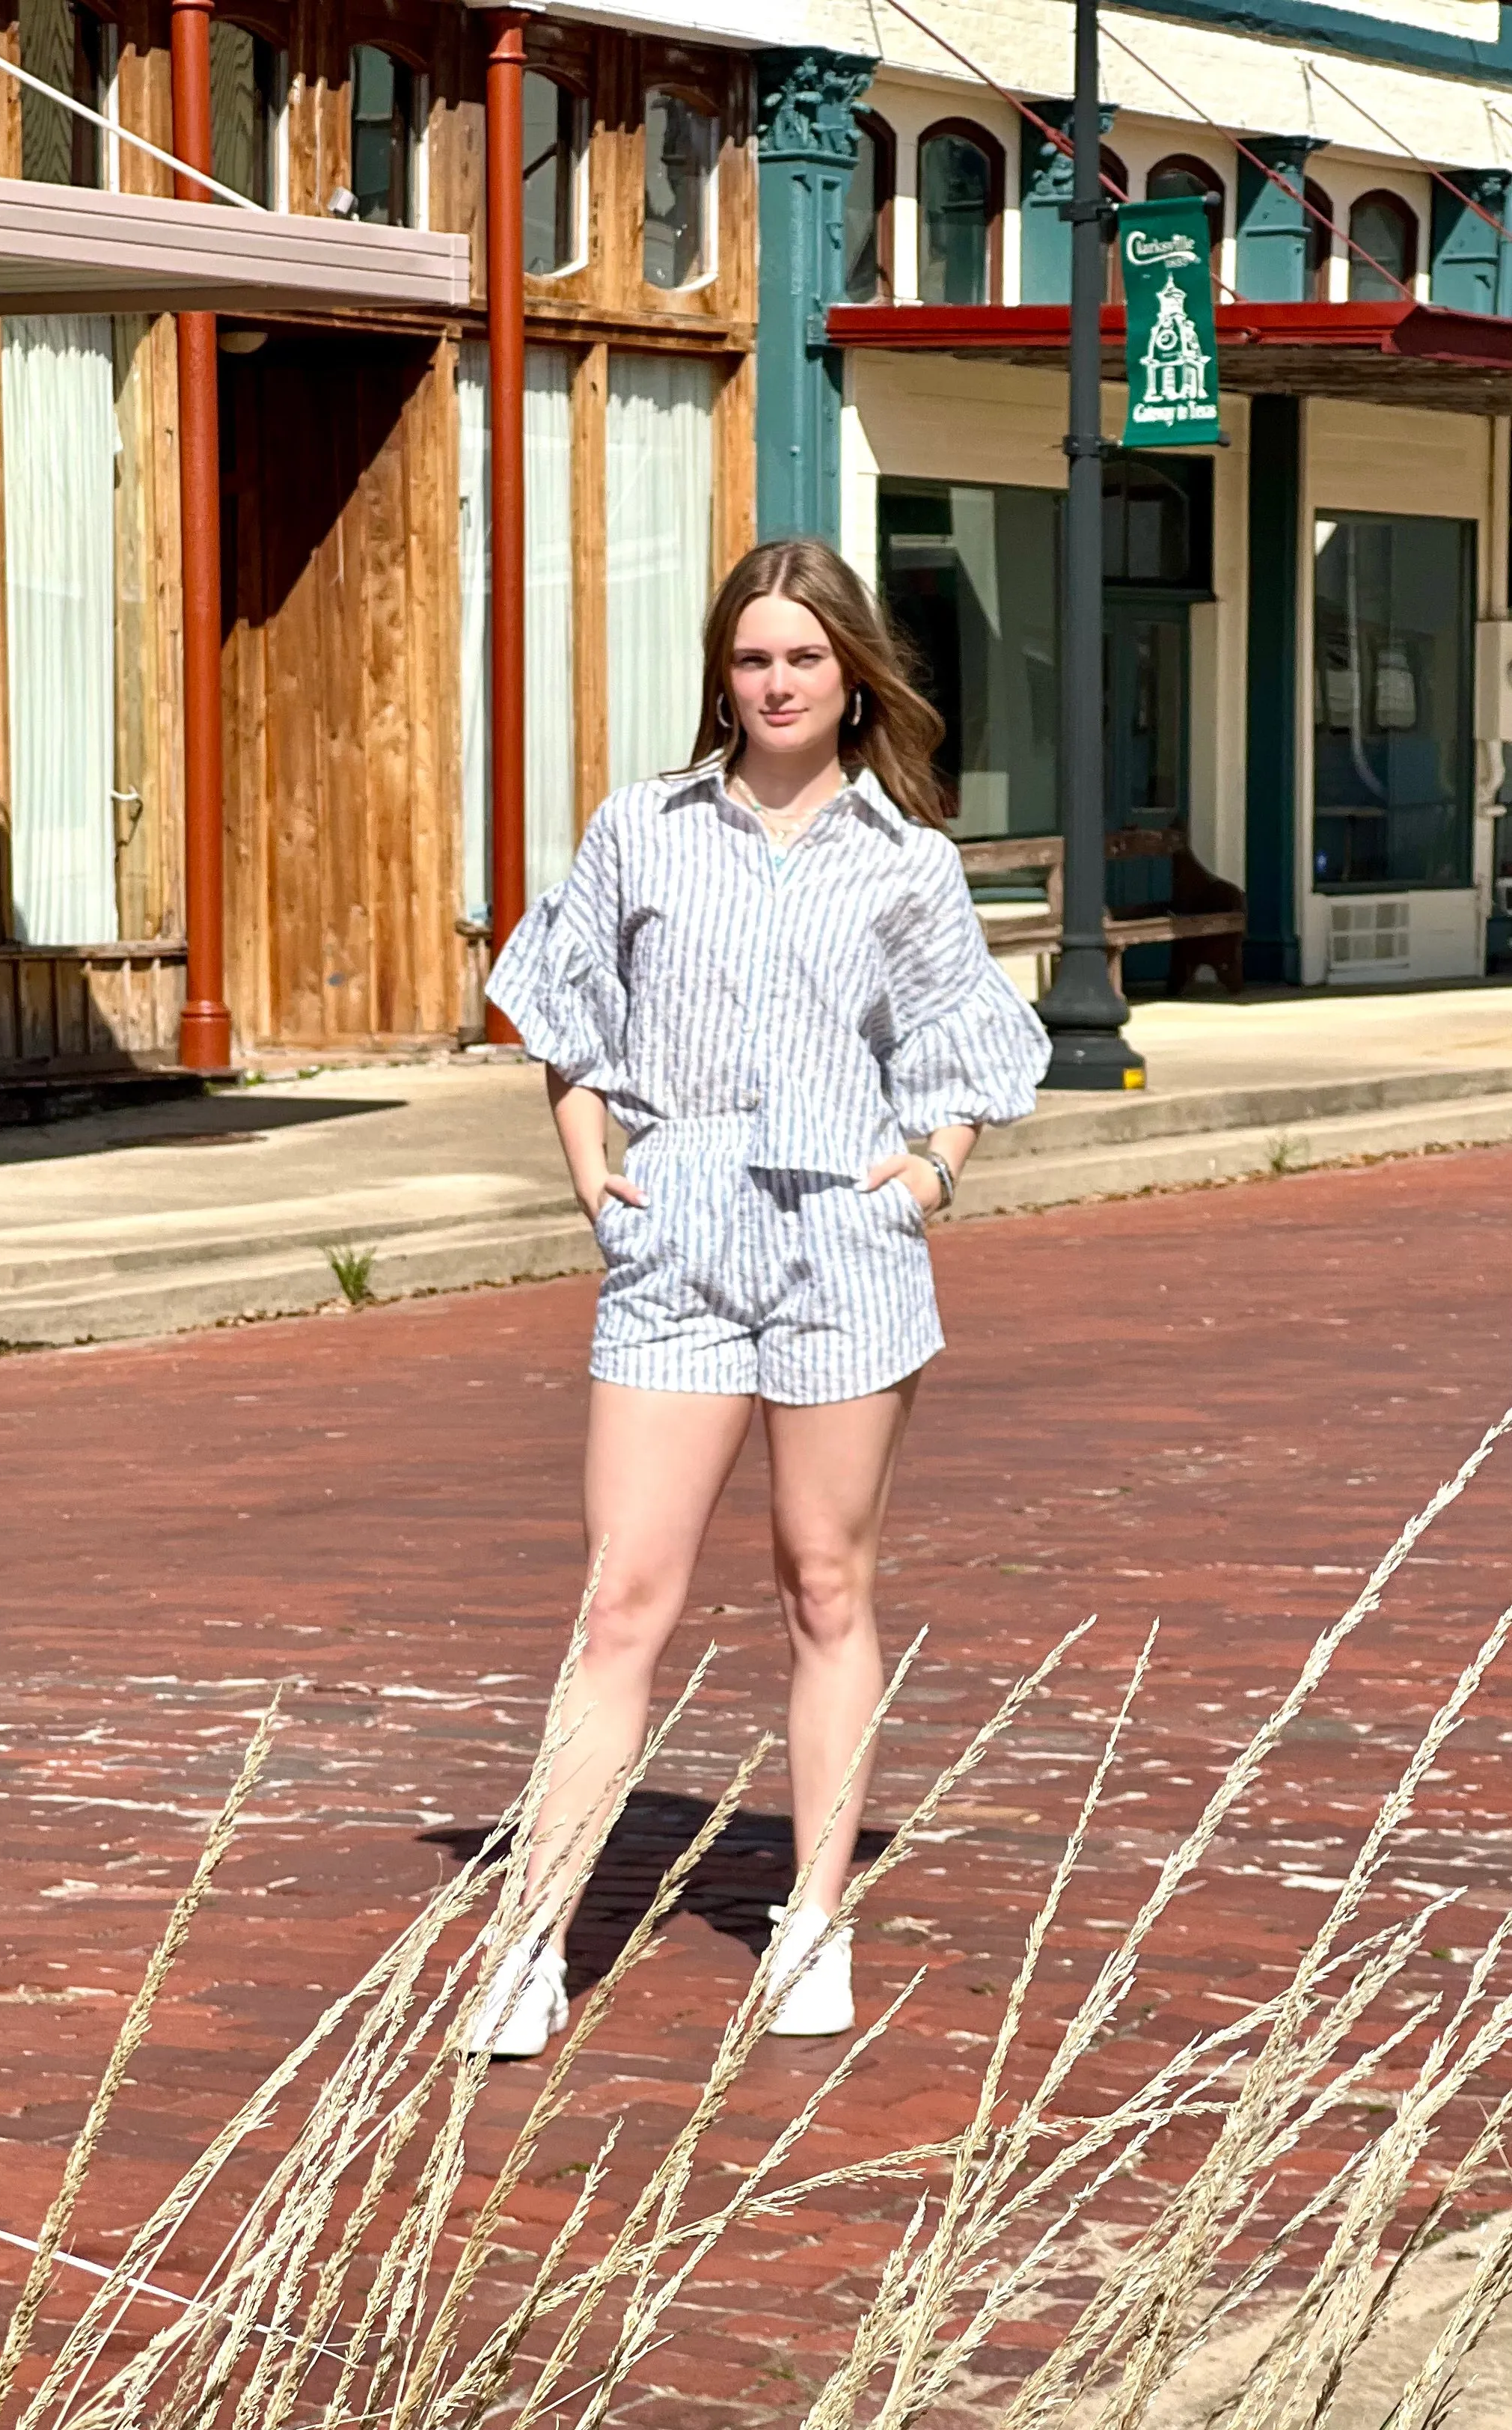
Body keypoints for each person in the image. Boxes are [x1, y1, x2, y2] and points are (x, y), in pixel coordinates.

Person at [471, 537, 1050, 2057]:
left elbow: (967, 1044)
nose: (777, 682)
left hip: (843, 1237)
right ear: (722, 675)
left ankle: (812, 1921)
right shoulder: (642, 829)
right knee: (624, 1599)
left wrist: (928, 1177)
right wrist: (591, 1162)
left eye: (803, 656)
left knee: (825, 1583)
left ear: (852, 672)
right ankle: (531, 1942)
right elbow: (561, 999)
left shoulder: (904, 861)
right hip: (682, 1233)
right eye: (752, 658)